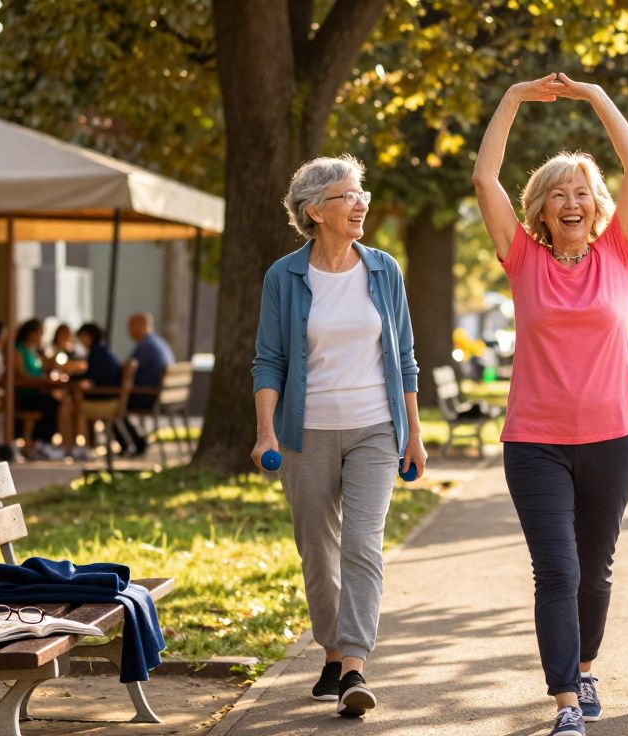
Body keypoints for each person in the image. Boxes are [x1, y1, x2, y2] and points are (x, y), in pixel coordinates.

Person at [472, 73, 628, 736]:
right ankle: (567, 701)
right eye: (558, 194)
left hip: (610, 437)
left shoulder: (619, 255)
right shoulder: (522, 261)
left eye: (581, 192)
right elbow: (485, 181)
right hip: (536, 442)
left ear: (595, 205)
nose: (570, 201)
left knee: (594, 575)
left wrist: (597, 95)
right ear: (542, 210)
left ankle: (586, 665)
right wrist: (514, 98)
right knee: (557, 569)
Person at [251, 154, 424, 719]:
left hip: (376, 426)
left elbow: (405, 358)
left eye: (361, 193)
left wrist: (414, 435)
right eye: (348, 196)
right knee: (317, 548)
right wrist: (264, 432)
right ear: (314, 211)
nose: (361, 204)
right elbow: (269, 360)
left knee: (362, 543)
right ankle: (329, 653)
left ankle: (353, 665)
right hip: (306, 430)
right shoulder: (285, 276)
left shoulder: (383, 269)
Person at [12, 318, 73, 460]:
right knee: (51, 403)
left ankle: (43, 442)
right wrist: (43, 380)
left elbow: (46, 366)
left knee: (56, 401)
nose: (41, 337)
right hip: (25, 394)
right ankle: (40, 443)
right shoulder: (19, 351)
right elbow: (22, 375)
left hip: (38, 391)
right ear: (31, 333)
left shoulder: (35, 351)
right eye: (40, 333)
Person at [122, 311, 174, 455]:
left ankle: (134, 444)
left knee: (110, 402)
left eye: (131, 326)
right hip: (162, 396)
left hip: (148, 397)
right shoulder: (159, 343)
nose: (128, 331)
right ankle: (136, 442)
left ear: (141, 326)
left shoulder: (146, 346)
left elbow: (127, 371)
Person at [69, 322, 123, 461]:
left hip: (105, 395)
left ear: (88, 336)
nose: (80, 341)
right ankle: (83, 445)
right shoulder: (102, 349)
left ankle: (78, 446)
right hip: (110, 393)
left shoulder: (97, 351)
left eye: (81, 337)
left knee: (70, 404)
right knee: (73, 399)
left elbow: (91, 376)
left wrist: (70, 377)